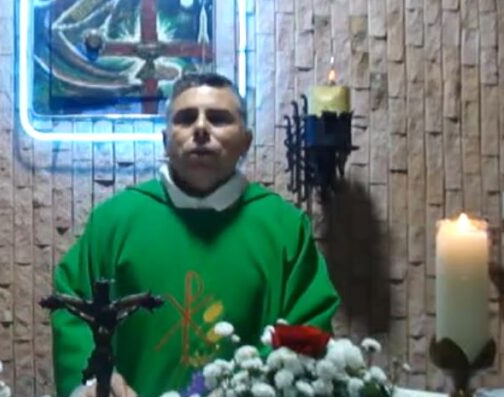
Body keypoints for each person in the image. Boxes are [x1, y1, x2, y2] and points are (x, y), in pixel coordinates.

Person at [51, 73, 341, 397]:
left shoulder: (284, 228)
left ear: (246, 142)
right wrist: (94, 382)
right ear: (165, 139)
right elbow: (74, 309)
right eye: (186, 118)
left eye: (218, 118)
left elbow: (308, 327)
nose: (201, 128)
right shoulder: (114, 221)